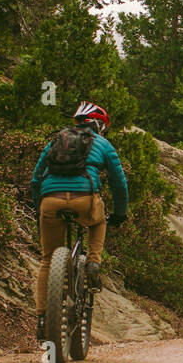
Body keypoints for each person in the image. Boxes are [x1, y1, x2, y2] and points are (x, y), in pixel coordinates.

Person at [29, 101, 128, 340]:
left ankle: (43, 318)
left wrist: (39, 207)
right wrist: (120, 213)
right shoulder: (103, 144)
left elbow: (36, 178)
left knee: (47, 259)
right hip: (85, 201)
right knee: (99, 221)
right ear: (98, 125)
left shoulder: (56, 140)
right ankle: (93, 262)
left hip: (50, 201)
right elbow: (119, 183)